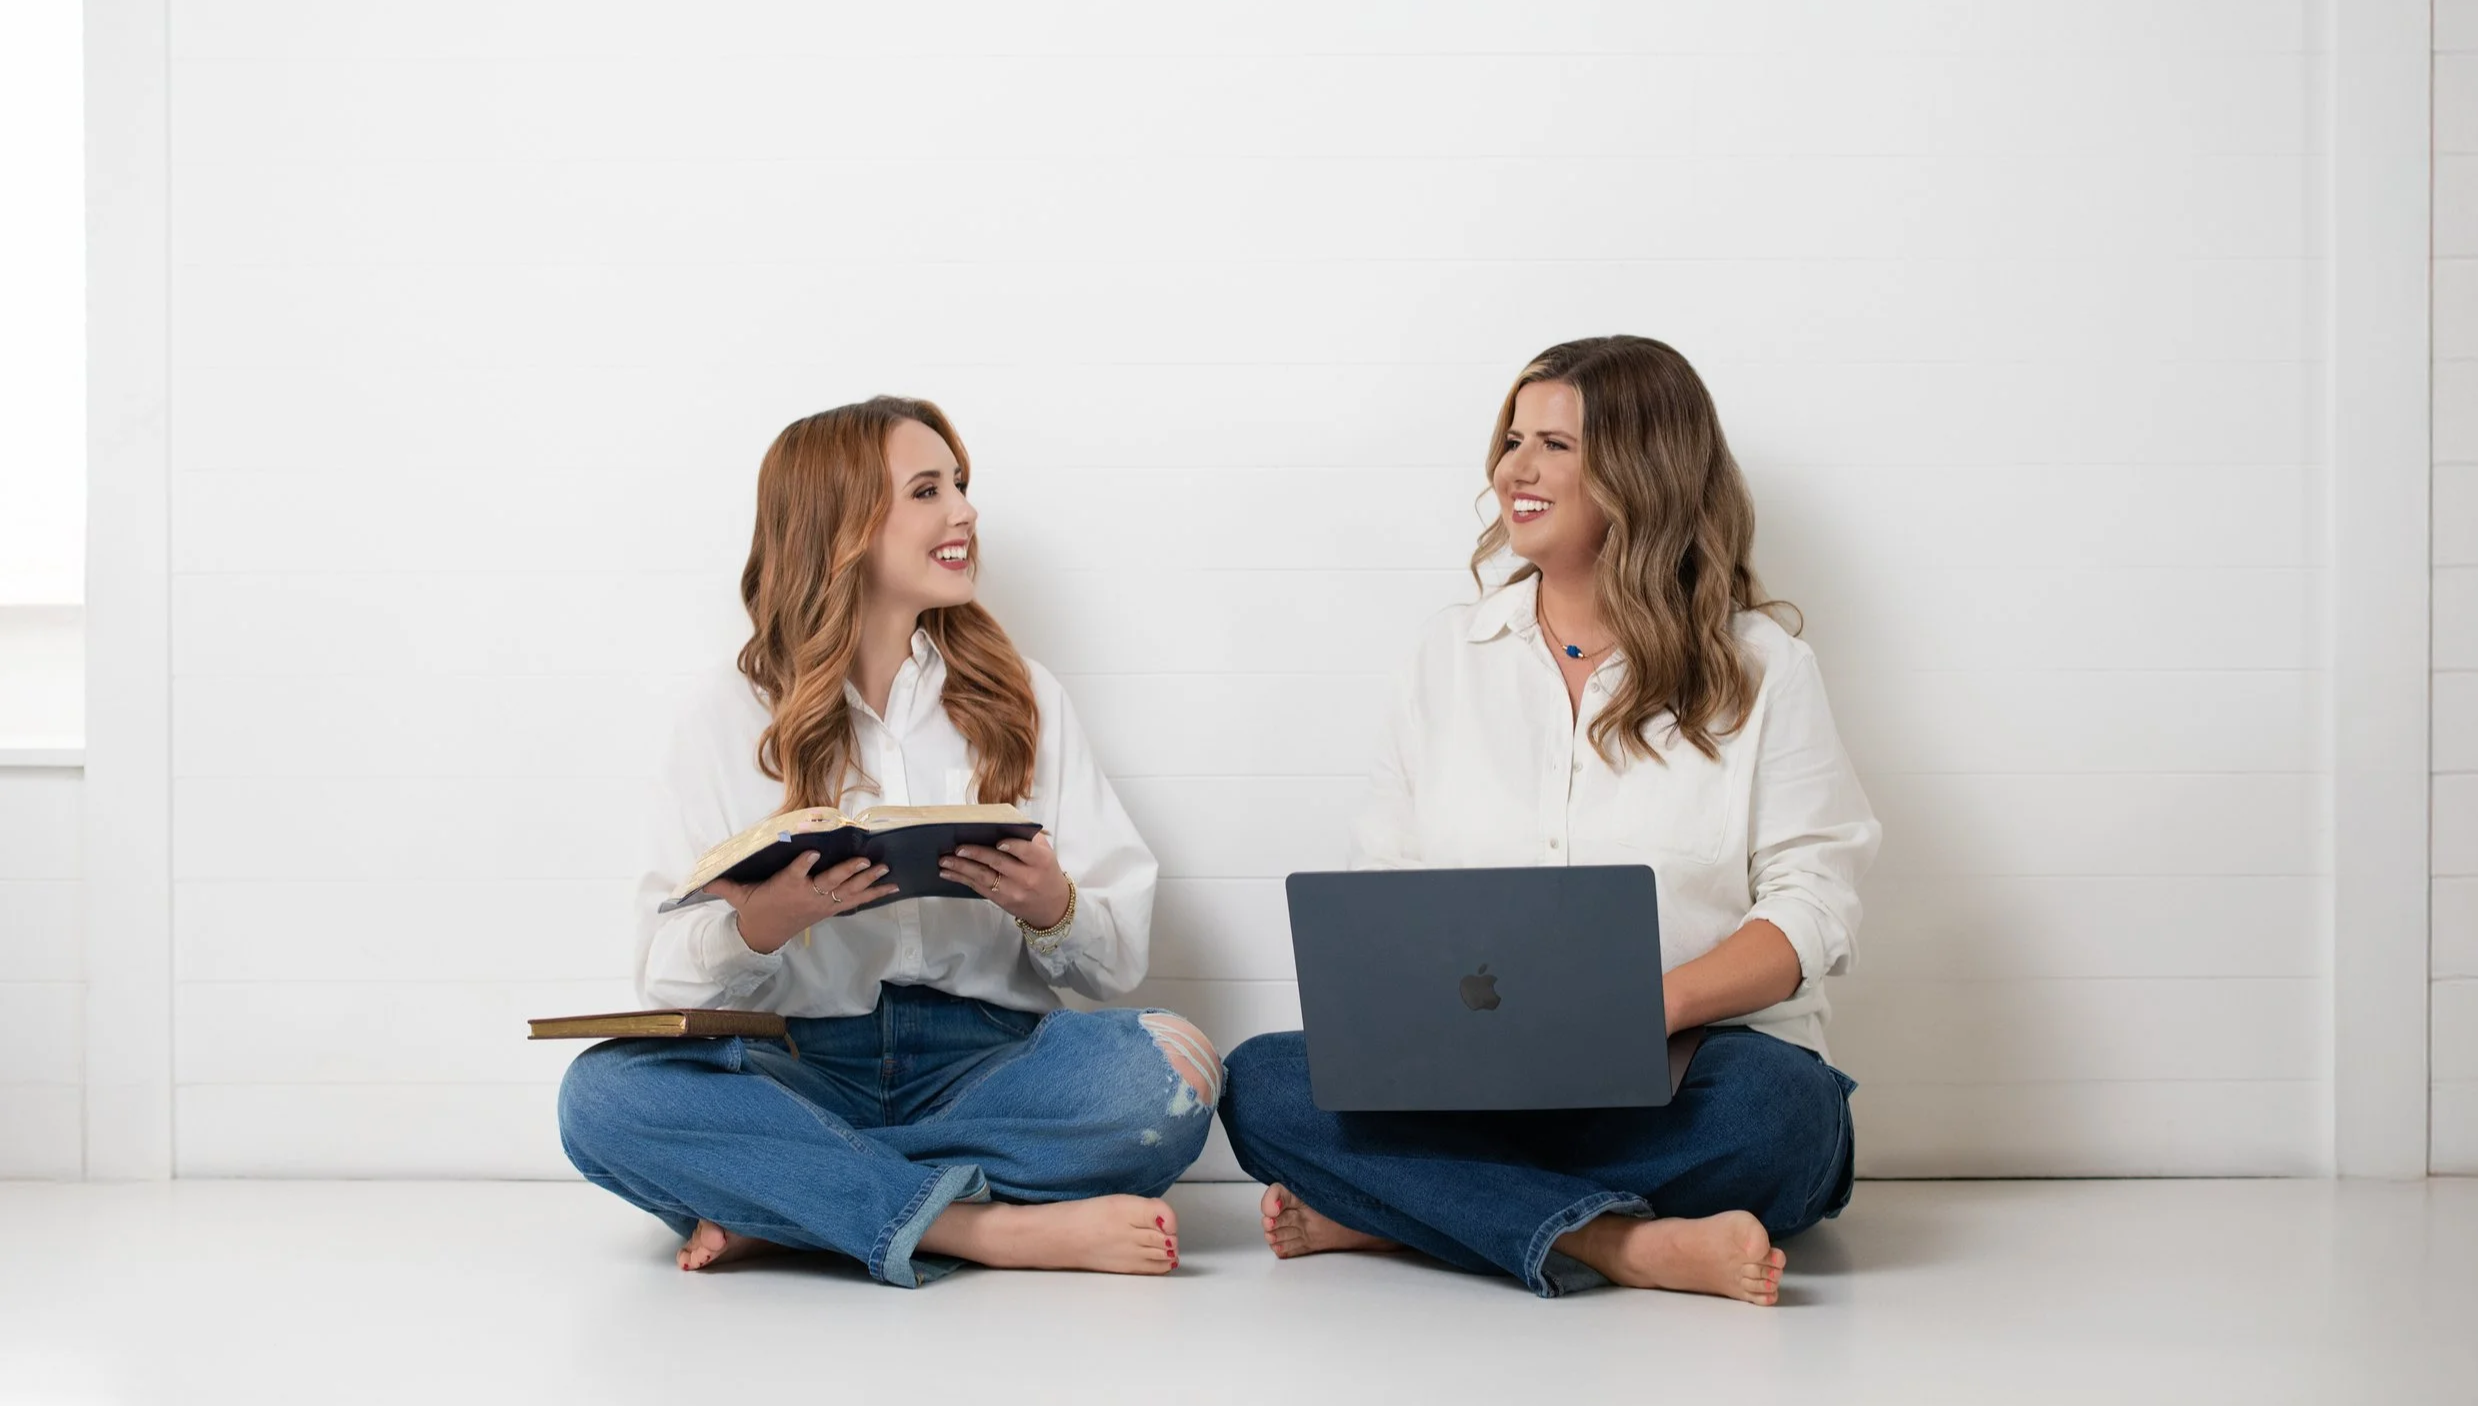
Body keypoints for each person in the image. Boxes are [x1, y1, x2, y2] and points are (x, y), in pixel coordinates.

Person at [1220, 336, 1879, 1304]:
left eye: (1555, 445)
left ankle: (1413, 1210)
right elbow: (1385, 884)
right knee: (1262, 1082)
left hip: (1690, 1070)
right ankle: (1624, 1244)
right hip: (1476, 1082)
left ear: (1643, 469)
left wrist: (1651, 1007)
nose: (1513, 470)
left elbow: (1815, 900)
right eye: (1511, 439)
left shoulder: (1761, 665)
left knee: (1787, 1117)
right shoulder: (1449, 655)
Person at [558, 396, 1220, 1287]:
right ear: (841, 525)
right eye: (926, 490)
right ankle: (979, 1232)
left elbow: (1115, 962)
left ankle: (799, 1200)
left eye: (959, 484)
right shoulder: (726, 714)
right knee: (603, 1098)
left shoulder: (1022, 695)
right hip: (798, 1063)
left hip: (989, 1062)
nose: (964, 512)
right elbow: (662, 968)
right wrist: (762, 923)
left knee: (1170, 1069)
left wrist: (1051, 908)